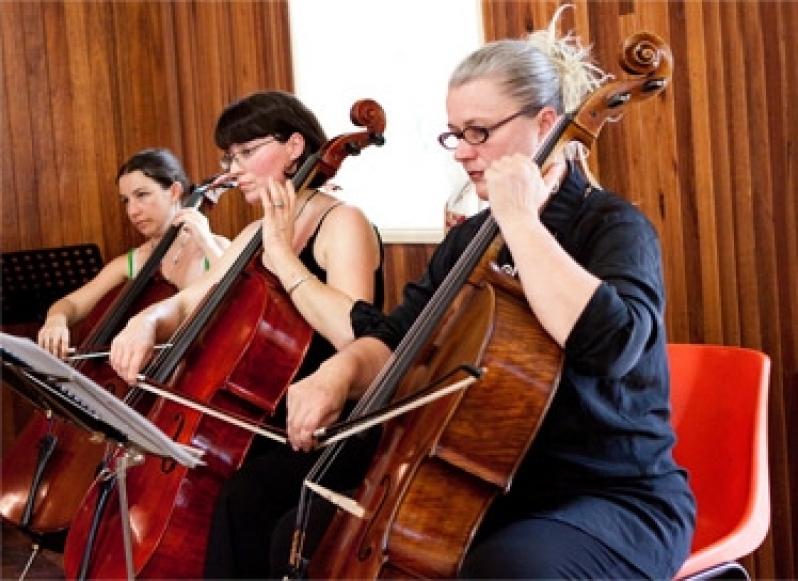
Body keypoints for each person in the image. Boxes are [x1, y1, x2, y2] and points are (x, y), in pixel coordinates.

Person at [270, 9, 696, 580]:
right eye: (455, 134)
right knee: (299, 534)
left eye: (480, 132)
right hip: (492, 487)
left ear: (545, 123)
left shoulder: (613, 227)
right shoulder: (471, 241)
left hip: (611, 496)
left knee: (509, 569)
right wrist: (339, 373)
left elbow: (610, 344)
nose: (463, 151)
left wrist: (520, 219)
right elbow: (397, 341)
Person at [106, 90, 385, 579]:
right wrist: (145, 321)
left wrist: (283, 258)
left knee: (241, 498)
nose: (233, 170)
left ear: (296, 145)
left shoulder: (343, 223)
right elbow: (188, 302)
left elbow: (352, 335)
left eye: (247, 152)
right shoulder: (252, 234)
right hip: (254, 421)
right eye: (229, 158)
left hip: (324, 426)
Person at [37, 147, 230, 359]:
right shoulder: (134, 261)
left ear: (175, 192)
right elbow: (70, 304)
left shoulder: (218, 249)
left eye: (142, 195)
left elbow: (238, 297)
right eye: (126, 200)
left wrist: (205, 241)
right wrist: (55, 321)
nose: (132, 211)